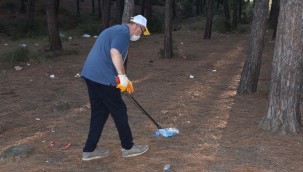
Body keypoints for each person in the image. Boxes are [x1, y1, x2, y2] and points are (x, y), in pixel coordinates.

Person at [80, 15, 151, 161]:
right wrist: (122, 76)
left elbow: (111, 56)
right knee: (119, 110)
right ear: (137, 26)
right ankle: (128, 147)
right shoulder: (123, 32)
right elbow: (114, 53)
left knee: (99, 113)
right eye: (142, 31)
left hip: (91, 75)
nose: (141, 35)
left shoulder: (116, 30)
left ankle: (89, 150)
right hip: (101, 77)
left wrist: (121, 77)